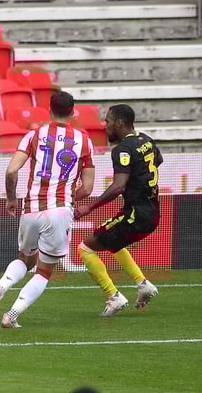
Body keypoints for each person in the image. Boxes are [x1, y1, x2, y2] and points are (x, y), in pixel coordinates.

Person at [0, 91, 96, 328]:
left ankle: (0, 288)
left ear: (49, 109)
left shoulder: (34, 135)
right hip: (59, 210)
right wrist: (69, 196)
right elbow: (89, 187)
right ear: (73, 112)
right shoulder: (84, 140)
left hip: (30, 209)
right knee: (44, 270)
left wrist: (12, 199)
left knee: (24, 258)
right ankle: (11, 315)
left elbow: (12, 170)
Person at [74, 104, 161, 316]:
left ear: (119, 123)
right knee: (112, 241)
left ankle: (113, 296)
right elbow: (157, 162)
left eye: (108, 121)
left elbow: (118, 186)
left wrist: (89, 207)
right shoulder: (146, 140)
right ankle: (143, 284)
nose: (105, 126)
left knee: (85, 248)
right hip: (152, 212)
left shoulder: (122, 150)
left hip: (135, 215)